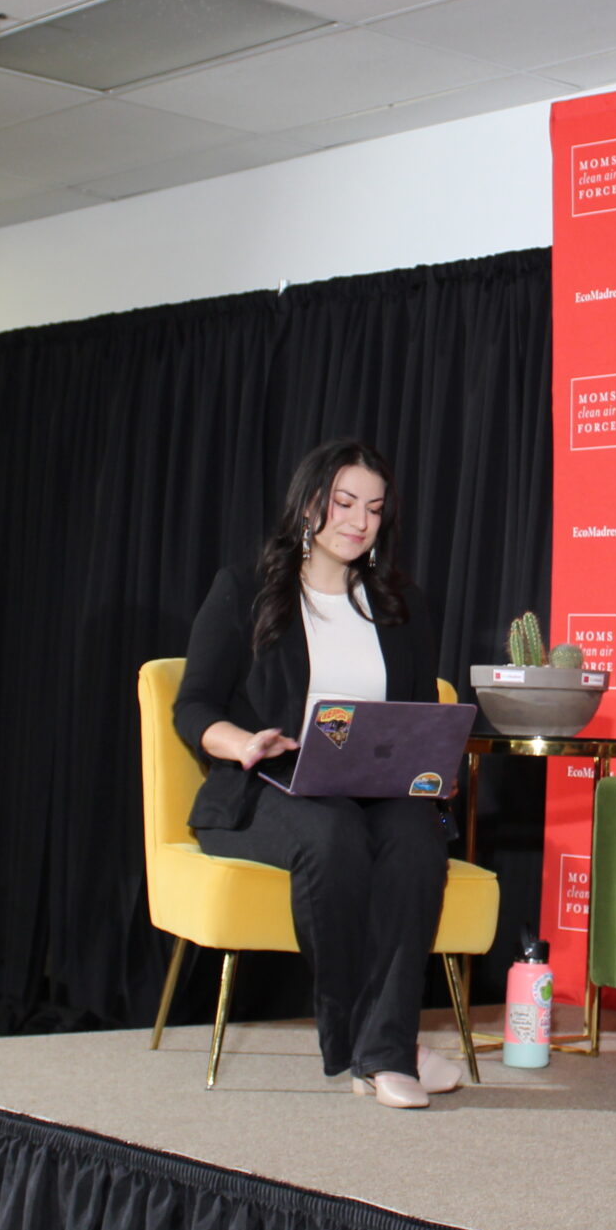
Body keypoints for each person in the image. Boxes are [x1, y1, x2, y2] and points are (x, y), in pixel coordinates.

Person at [172, 440, 461, 1110]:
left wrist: (432, 766)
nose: (360, 522)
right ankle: (376, 1046)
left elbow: (418, 710)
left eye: (376, 509)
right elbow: (192, 707)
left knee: (418, 836)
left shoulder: (400, 603)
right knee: (331, 835)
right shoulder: (244, 590)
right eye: (345, 502)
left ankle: (383, 1047)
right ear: (309, 504)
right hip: (269, 785)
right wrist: (243, 742)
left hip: (374, 787)